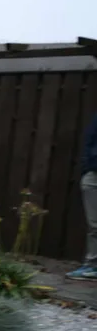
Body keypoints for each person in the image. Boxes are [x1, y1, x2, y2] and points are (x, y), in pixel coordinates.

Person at [67, 112, 97, 281]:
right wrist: (87, 167)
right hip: (93, 174)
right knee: (94, 224)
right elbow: (89, 141)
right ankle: (92, 265)